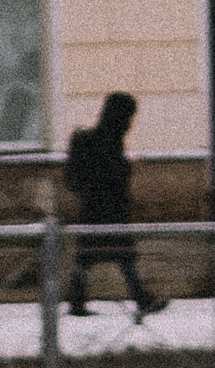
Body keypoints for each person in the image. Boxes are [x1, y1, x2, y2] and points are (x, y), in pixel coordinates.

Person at [62, 90, 157, 316]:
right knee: (122, 256)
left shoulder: (95, 139)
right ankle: (142, 300)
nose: (131, 123)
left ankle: (78, 301)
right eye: (130, 116)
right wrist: (127, 165)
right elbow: (112, 174)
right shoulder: (110, 140)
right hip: (109, 209)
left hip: (93, 208)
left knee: (89, 256)